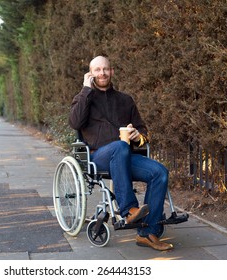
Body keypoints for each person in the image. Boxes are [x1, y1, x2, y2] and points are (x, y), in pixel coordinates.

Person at [68, 55, 173, 251]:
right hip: (98, 157)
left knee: (160, 172)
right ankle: (128, 209)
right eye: (97, 70)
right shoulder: (84, 98)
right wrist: (85, 90)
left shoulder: (125, 100)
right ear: (90, 74)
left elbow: (144, 131)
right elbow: (75, 123)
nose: (102, 73)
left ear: (112, 71)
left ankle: (148, 233)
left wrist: (137, 136)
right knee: (120, 146)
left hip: (124, 156)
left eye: (105, 69)